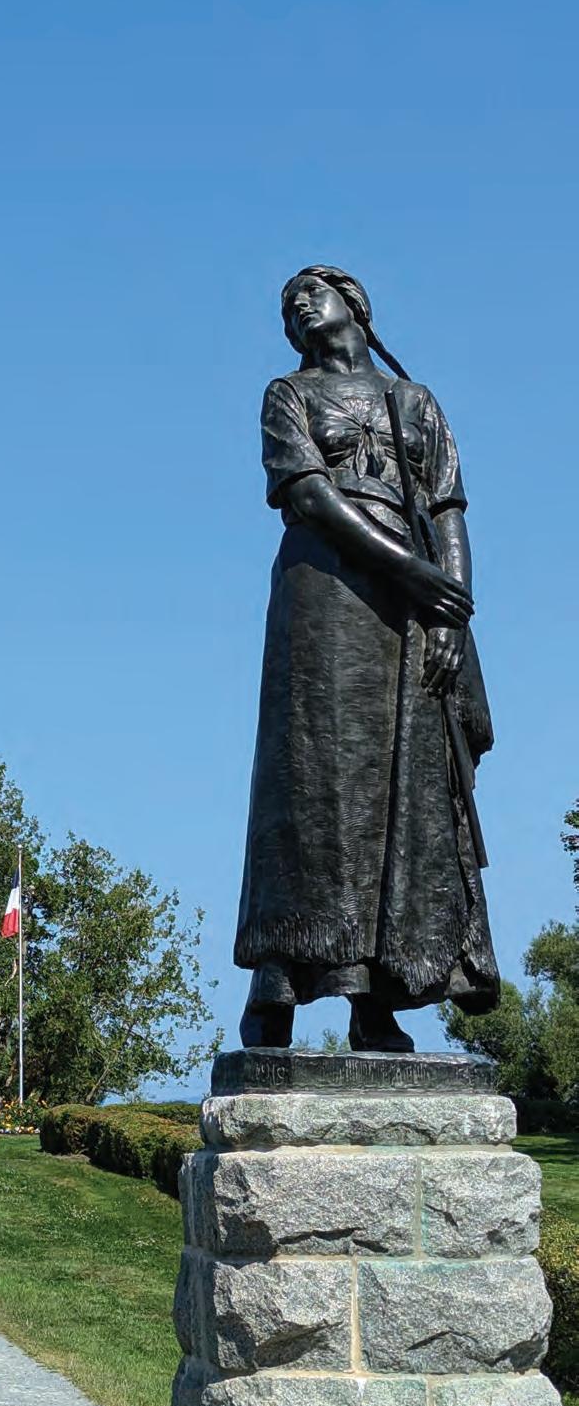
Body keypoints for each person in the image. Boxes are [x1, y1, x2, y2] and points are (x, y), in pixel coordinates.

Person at [236, 265, 499, 1053]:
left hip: (411, 608)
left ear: (354, 305)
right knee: (313, 782)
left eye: (310, 292)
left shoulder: (415, 401)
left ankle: (377, 995)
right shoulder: (288, 395)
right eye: (288, 305)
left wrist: (450, 610)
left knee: (405, 788)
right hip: (324, 593)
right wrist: (416, 574)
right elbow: (310, 496)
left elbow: (447, 509)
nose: (297, 305)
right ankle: (280, 979)